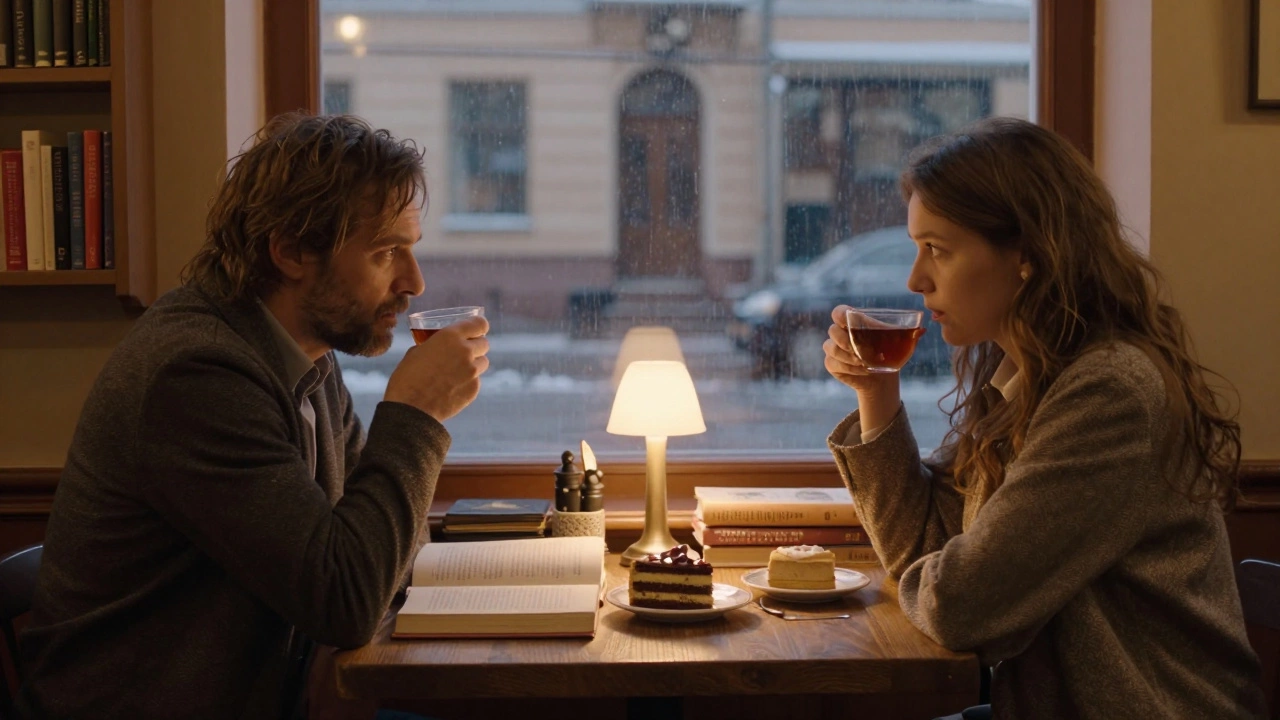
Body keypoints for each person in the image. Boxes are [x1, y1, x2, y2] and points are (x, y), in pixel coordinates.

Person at [16, 113, 490, 719]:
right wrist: (417, 414)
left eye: (410, 250)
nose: (414, 282)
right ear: (291, 250)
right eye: (384, 253)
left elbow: (370, 563)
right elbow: (347, 597)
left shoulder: (306, 355)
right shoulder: (195, 373)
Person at [823, 117, 1265, 719]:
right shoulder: (1023, 376)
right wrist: (876, 394)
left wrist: (953, 578)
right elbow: (927, 549)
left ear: (1026, 253)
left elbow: (960, 609)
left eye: (937, 250)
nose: (915, 279)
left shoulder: (1110, 393)